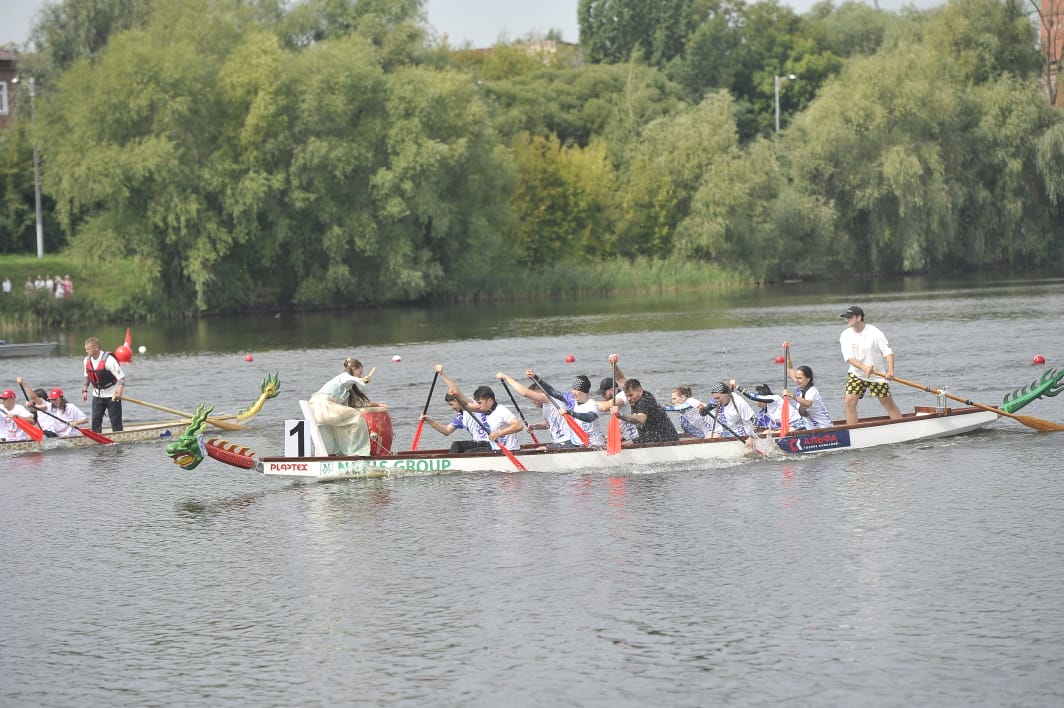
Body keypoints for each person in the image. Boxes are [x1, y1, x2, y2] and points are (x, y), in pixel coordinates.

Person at [435, 365, 522, 453]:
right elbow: (464, 404)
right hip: (496, 449)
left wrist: (499, 433)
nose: (478, 406)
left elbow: (518, 426)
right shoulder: (484, 409)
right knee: (458, 447)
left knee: (468, 453)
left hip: (510, 450)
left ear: (489, 400)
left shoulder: (501, 410)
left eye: (480, 403)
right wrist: (455, 395)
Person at [308, 357, 385, 456]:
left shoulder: (346, 386)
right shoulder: (344, 377)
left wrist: (369, 404)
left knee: (343, 424)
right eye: (359, 372)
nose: (360, 374)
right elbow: (352, 379)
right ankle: (357, 452)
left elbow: (347, 405)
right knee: (356, 418)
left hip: (320, 409)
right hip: (323, 407)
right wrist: (363, 379)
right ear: (353, 368)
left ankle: (342, 454)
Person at [839, 305, 902, 425]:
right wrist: (864, 368)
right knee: (849, 402)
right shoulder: (845, 335)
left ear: (859, 317)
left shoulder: (875, 332)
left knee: (887, 403)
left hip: (877, 375)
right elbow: (849, 358)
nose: (847, 320)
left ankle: (901, 426)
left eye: (849, 317)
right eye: (846, 318)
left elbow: (888, 353)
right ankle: (852, 432)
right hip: (857, 374)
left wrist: (890, 371)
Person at [519, 371, 606, 448]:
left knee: (541, 449)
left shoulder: (590, 404)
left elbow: (589, 417)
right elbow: (550, 390)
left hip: (591, 445)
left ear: (584, 392)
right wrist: (535, 377)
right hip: (579, 443)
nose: (573, 392)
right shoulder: (569, 400)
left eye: (576, 390)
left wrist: (569, 412)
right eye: (573, 390)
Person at [494, 374, 569, 447]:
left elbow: (524, 392)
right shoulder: (548, 407)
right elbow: (548, 424)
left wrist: (507, 378)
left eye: (533, 397)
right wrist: (534, 426)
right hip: (559, 443)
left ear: (540, 392)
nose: (532, 401)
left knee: (539, 451)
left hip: (567, 442)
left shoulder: (549, 399)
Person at [612, 377, 679, 445]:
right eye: (627, 396)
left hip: (666, 438)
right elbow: (620, 378)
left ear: (640, 391)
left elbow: (641, 419)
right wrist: (613, 366)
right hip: (652, 436)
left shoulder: (645, 400)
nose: (628, 399)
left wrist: (620, 415)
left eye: (631, 395)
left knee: (623, 445)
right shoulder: (635, 398)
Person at [82, 336, 126, 432]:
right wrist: (84, 391)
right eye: (86, 349)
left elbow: (121, 378)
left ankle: (118, 438)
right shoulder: (86, 360)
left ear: (96, 348)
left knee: (115, 421)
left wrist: (119, 393)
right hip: (97, 396)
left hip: (112, 395)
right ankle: (97, 438)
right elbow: (87, 377)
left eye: (88, 349)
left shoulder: (109, 360)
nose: (86, 351)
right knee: (96, 421)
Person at [597, 355, 639, 443]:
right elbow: (620, 378)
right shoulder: (620, 396)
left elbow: (605, 407)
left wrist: (585, 403)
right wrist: (613, 364)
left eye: (604, 393)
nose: (602, 396)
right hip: (626, 437)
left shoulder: (623, 395)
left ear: (613, 390)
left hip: (635, 438)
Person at [736, 383, 805, 432]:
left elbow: (752, 396)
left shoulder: (774, 399)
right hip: (788, 427)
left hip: (798, 425)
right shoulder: (764, 411)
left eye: (758, 400)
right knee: (766, 432)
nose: (756, 403)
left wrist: (737, 386)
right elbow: (755, 421)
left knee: (770, 433)